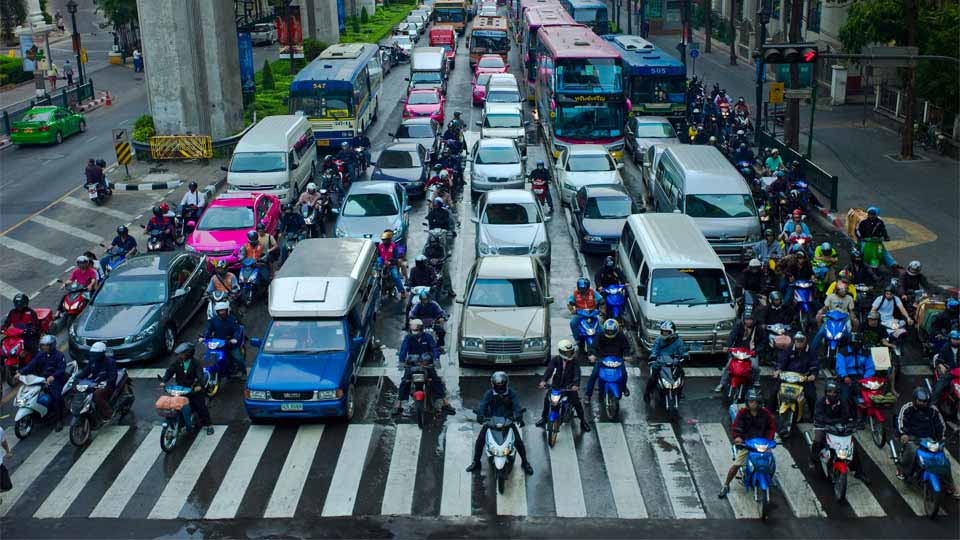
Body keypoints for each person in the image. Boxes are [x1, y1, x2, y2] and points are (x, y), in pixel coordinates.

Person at [466, 372, 534, 475]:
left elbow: (516, 405)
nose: (499, 387)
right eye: (497, 384)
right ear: (493, 384)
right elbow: (483, 404)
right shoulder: (489, 393)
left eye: (501, 384)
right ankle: (476, 462)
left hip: (508, 421)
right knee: (480, 440)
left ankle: (525, 462)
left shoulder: (511, 393)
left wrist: (518, 415)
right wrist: (480, 414)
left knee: (518, 442)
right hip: (491, 421)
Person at [895, 388, 954, 497]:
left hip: (929, 440)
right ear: (915, 400)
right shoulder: (907, 408)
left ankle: (950, 485)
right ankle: (903, 470)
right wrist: (903, 434)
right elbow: (900, 421)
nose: (923, 403)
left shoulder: (933, 410)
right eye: (920, 401)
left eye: (925, 401)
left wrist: (942, 438)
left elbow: (941, 425)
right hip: (913, 438)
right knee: (912, 450)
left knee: (943, 459)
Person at [718, 388, 776, 499]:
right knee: (737, 465)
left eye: (755, 401)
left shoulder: (766, 414)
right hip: (747, 444)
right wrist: (738, 438)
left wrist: (769, 440)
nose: (753, 404)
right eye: (751, 401)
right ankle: (726, 484)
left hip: (762, 444)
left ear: (760, 402)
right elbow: (736, 427)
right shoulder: (742, 413)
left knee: (771, 463)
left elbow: (771, 428)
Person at [810, 380, 870, 481]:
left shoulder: (843, 402)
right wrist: (830, 422)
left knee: (853, 448)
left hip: (839, 428)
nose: (832, 394)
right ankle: (813, 460)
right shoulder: (820, 401)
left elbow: (846, 416)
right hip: (824, 426)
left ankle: (859, 472)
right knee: (818, 440)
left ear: (838, 393)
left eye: (834, 392)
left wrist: (847, 424)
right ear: (826, 392)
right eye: (829, 391)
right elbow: (818, 415)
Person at [536, 339, 589, 432]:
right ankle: (544, 418)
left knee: (577, 403)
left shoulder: (575, 361)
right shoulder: (556, 359)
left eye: (570, 352)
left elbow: (577, 373)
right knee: (547, 401)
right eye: (567, 353)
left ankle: (583, 421)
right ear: (561, 352)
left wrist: (576, 385)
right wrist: (543, 381)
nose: (569, 354)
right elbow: (549, 370)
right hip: (556, 386)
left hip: (569, 387)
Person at [161, 343, 214, 435]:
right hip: (181, 389)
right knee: (175, 405)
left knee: (200, 407)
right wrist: (164, 381)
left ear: (188, 353)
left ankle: (209, 425)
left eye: (182, 354)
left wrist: (198, 386)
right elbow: (170, 371)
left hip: (193, 389)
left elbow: (200, 376)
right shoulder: (177, 362)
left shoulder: (195, 363)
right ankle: (182, 423)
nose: (180, 355)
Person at [18, 335, 67, 430]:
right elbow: (32, 365)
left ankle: (59, 420)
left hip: (55, 379)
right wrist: (21, 372)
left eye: (47, 345)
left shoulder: (59, 355)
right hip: (41, 378)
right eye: (43, 345)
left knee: (57, 397)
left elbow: (61, 369)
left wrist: (53, 376)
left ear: (52, 345)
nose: (45, 347)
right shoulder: (41, 354)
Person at [583, 319, 631, 403]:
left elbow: (626, 347)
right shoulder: (600, 335)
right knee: (594, 375)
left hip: (617, 359)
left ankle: (623, 387)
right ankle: (588, 395)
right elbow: (593, 346)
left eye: (612, 331)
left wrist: (627, 355)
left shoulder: (621, 336)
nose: (610, 333)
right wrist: (592, 355)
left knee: (624, 374)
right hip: (602, 359)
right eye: (608, 331)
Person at [773, 333, 819, 419]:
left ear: (805, 341)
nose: (799, 342)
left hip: (803, 378)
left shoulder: (811, 351)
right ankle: (770, 412)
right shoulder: (789, 349)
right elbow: (782, 361)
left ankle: (814, 417)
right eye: (797, 340)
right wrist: (778, 370)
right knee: (775, 390)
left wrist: (813, 375)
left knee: (811, 395)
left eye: (801, 340)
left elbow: (814, 364)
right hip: (788, 378)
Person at [714, 313, 762, 393]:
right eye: (747, 319)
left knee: (755, 367)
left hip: (751, 352)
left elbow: (763, 341)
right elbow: (732, 336)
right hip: (738, 351)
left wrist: (757, 350)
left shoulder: (758, 329)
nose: (748, 321)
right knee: (728, 366)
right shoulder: (739, 326)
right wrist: (727, 346)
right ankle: (721, 384)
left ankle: (756, 380)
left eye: (750, 319)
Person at [643, 321, 687, 404]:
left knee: (682, 375)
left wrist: (685, 355)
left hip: (674, 363)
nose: (664, 333)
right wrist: (653, 357)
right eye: (663, 331)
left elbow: (682, 350)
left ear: (672, 332)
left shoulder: (679, 341)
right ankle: (647, 393)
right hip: (660, 363)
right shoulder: (658, 340)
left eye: (666, 332)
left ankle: (679, 392)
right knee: (653, 378)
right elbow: (655, 350)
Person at [76, 342, 118, 421]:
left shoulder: (110, 362)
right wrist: (76, 378)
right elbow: (85, 371)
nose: (94, 355)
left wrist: (106, 382)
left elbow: (113, 376)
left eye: (96, 354)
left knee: (96, 395)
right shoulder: (92, 361)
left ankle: (108, 413)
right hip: (94, 383)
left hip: (107, 385)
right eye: (93, 353)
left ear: (102, 353)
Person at [202, 302, 245, 378]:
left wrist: (234, 339)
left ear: (227, 310)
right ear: (217, 312)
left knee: (238, 358)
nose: (222, 312)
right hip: (219, 343)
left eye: (223, 310)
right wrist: (204, 337)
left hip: (230, 343)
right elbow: (208, 329)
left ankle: (243, 372)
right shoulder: (213, 320)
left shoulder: (232, 319)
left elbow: (237, 330)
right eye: (220, 311)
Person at [811, 284, 859, 350]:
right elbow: (825, 307)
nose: (844, 291)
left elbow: (850, 310)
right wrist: (821, 311)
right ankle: (811, 350)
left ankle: (850, 350)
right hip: (830, 317)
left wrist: (853, 316)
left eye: (845, 290)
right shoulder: (830, 297)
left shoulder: (849, 298)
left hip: (844, 317)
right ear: (837, 290)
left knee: (849, 334)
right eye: (842, 290)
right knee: (820, 332)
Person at [835, 334, 875, 407]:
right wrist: (845, 376)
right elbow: (840, 367)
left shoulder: (866, 352)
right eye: (854, 343)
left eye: (858, 343)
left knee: (867, 397)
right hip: (847, 377)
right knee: (845, 397)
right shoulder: (842, 352)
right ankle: (846, 415)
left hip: (862, 377)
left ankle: (866, 415)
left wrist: (865, 378)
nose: (856, 345)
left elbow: (870, 367)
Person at [931, 331, 960, 408]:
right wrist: (941, 365)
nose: (956, 341)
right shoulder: (945, 348)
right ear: (950, 339)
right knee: (938, 389)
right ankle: (933, 407)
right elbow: (939, 359)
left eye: (958, 339)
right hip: (950, 371)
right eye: (954, 339)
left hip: (959, 371)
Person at [378, 230, 407, 298]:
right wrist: (381, 262)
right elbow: (379, 256)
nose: (384, 241)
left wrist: (390, 262)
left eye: (385, 240)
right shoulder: (380, 246)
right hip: (382, 264)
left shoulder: (394, 246)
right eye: (383, 240)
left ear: (389, 240)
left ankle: (402, 291)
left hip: (391, 265)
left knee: (395, 276)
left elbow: (396, 257)